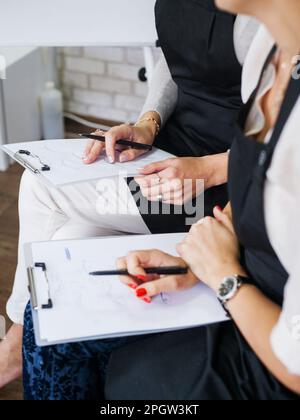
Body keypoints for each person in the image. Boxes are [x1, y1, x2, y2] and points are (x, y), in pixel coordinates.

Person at [23, 0, 300, 400]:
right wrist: (148, 122)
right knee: (71, 245)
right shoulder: (268, 59)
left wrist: (223, 274)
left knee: (42, 189)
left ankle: (14, 346)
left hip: (207, 196)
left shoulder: (261, 45)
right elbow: (261, 175)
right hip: (190, 174)